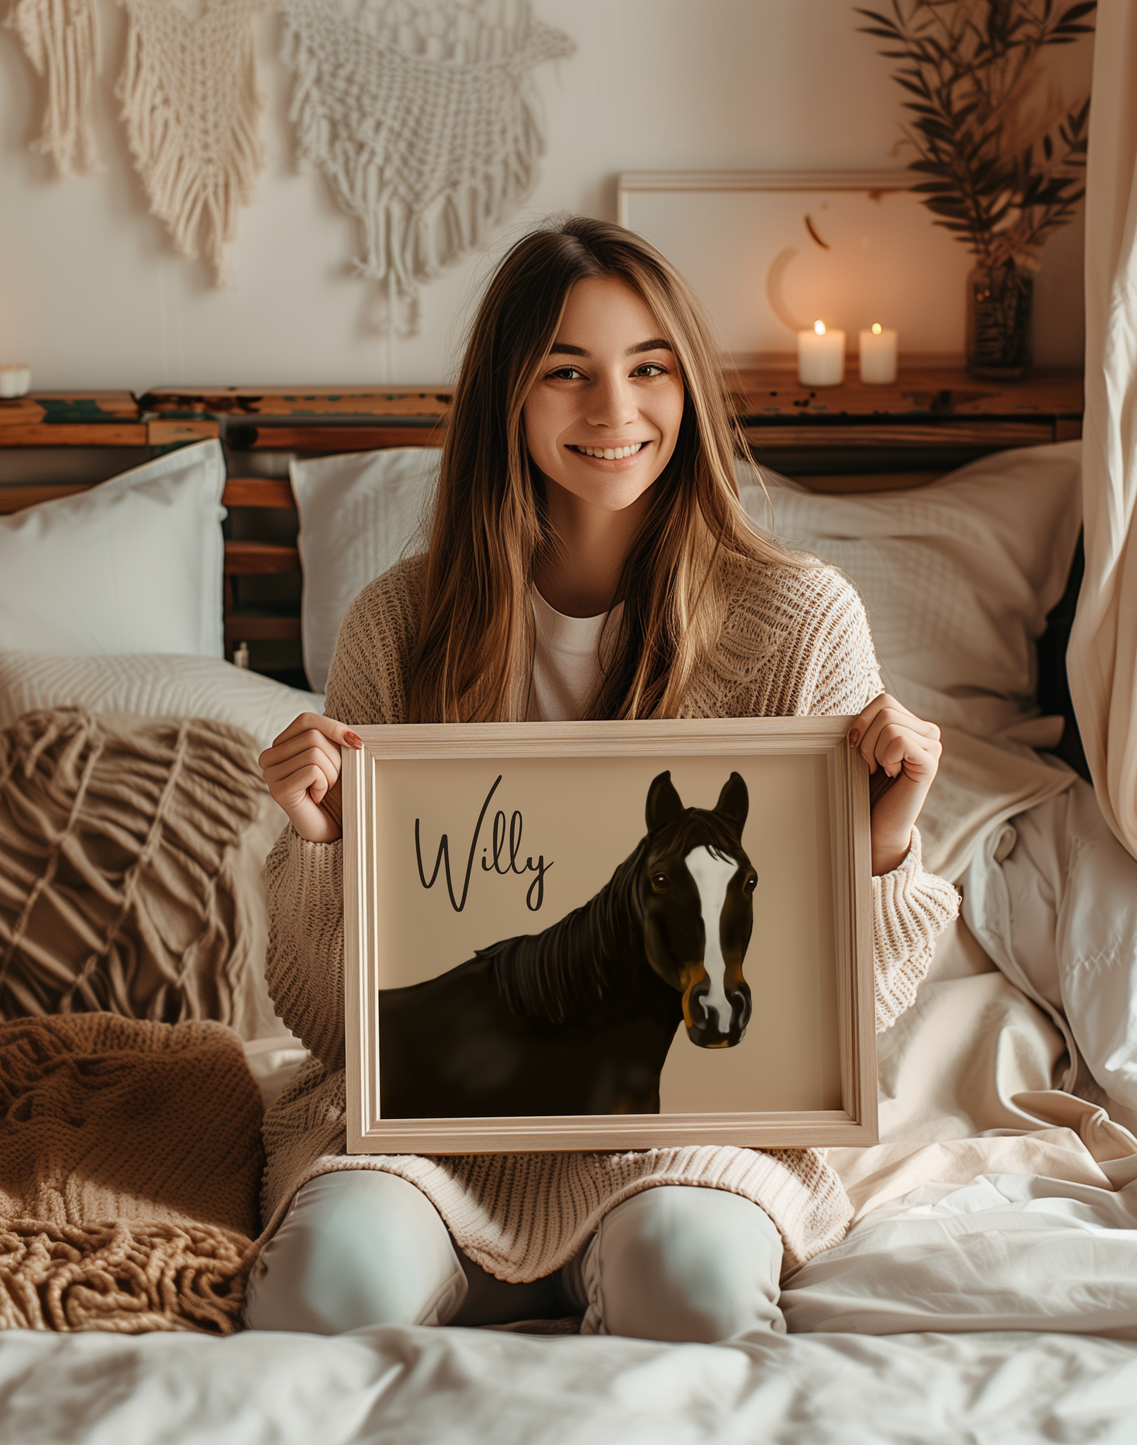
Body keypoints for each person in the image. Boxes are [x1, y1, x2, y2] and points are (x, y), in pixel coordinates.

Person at [245, 216, 960, 1342]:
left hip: (692, 1125)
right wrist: (317, 849)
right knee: (317, 1294)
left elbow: (838, 1021)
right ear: (506, 400)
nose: (613, 410)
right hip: (438, 1129)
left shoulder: (802, 618)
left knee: (692, 1295)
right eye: (564, 373)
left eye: (647, 368)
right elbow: (343, 1025)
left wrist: (880, 844)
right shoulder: (396, 622)